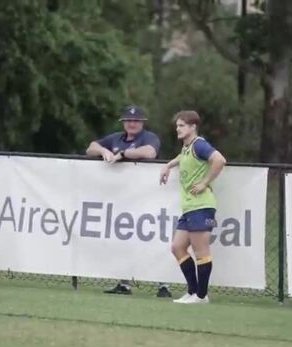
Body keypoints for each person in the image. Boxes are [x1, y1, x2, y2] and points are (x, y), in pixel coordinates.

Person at [86, 105, 172, 298]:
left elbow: (150, 153)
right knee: (124, 240)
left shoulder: (149, 138)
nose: (132, 124)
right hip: (122, 199)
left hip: (147, 197)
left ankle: (163, 284)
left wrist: (123, 154)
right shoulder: (116, 138)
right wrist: (103, 151)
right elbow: (90, 147)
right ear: (123, 122)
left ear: (142, 123)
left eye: (136, 120)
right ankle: (124, 284)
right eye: (128, 120)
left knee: (152, 240)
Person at [159, 110, 226, 304]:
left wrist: (205, 182)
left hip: (202, 205)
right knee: (178, 247)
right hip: (189, 207)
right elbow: (181, 158)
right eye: (177, 126)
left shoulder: (200, 145)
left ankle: (201, 295)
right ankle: (192, 291)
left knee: (201, 251)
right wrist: (168, 166)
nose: (177, 129)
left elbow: (219, 160)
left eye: (181, 125)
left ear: (193, 127)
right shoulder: (187, 147)